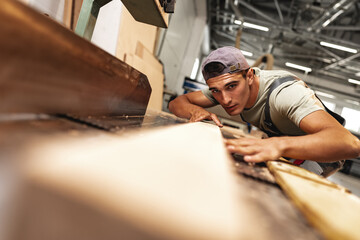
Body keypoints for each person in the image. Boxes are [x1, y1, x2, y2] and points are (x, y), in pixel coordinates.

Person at [169, 46, 360, 177]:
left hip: (321, 151)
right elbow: (177, 102)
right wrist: (195, 111)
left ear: (250, 75)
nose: (224, 100)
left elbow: (349, 143)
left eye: (232, 86)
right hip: (284, 142)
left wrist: (279, 145)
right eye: (216, 91)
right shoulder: (223, 87)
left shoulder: (284, 94)